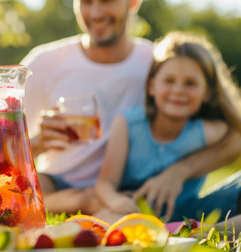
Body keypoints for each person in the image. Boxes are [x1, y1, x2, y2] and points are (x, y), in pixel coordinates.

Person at [21, 0, 241, 215]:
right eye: (86, 2)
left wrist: (179, 171)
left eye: (107, 2)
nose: (95, 13)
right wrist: (38, 143)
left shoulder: (158, 62)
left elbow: (234, 135)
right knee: (18, 192)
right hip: (60, 187)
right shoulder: (43, 64)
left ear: (133, 2)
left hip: (127, 192)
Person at [95, 31, 241, 223]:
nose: (178, 91)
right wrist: (116, 202)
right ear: (151, 86)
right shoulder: (127, 124)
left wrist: (180, 171)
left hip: (189, 213)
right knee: (107, 218)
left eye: (190, 83)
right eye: (169, 80)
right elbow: (105, 183)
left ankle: (205, 232)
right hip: (132, 210)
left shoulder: (206, 130)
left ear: (207, 93)